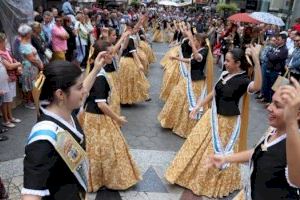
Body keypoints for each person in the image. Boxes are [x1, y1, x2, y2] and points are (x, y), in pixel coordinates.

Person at [165, 45, 262, 198]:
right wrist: (198, 106)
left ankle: (207, 181)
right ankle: (188, 174)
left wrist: (256, 60)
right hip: (212, 116)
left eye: (228, 61)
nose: (224, 63)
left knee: (213, 152)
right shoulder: (224, 74)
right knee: (195, 144)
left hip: (227, 122)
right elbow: (214, 92)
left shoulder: (244, 80)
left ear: (237, 63)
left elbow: (257, 86)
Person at [22, 52, 106, 200]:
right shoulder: (43, 140)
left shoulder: (66, 110)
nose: (85, 91)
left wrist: (96, 69)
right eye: (79, 88)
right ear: (60, 94)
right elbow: (30, 194)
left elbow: (83, 91)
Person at [208, 79, 300, 200]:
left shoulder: (295, 144)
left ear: (297, 114)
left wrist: (291, 122)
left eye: (277, 105)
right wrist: (226, 158)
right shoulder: (274, 129)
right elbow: (259, 151)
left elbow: (296, 179)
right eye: (272, 102)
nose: (269, 108)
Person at [82, 41, 141, 192]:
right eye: (110, 52)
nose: (113, 53)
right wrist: (118, 118)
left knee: (97, 150)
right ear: (102, 55)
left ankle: (98, 178)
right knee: (105, 150)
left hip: (93, 117)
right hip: (98, 118)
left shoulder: (96, 71)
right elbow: (101, 104)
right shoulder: (100, 77)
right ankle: (104, 178)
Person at [158, 32, 212, 138]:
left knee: (189, 104)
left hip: (196, 82)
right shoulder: (200, 50)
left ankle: (189, 129)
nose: (193, 42)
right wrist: (177, 59)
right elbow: (191, 60)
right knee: (177, 96)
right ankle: (173, 122)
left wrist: (191, 39)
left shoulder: (204, 51)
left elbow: (197, 57)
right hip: (189, 79)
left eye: (195, 40)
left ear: (200, 42)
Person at [118, 21, 150, 104]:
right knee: (135, 79)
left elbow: (124, 48)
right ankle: (141, 95)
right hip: (128, 61)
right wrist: (139, 64)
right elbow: (133, 53)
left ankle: (131, 97)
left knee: (128, 80)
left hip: (123, 60)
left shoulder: (126, 37)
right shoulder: (129, 38)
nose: (137, 30)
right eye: (135, 29)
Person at [18, 24, 43, 110]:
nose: (31, 33)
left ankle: (32, 100)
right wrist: (40, 64)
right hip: (29, 67)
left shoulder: (27, 42)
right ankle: (29, 102)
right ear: (27, 34)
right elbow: (32, 59)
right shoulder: (23, 45)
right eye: (30, 32)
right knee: (29, 84)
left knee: (32, 84)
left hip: (32, 67)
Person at [0, 33, 22, 128]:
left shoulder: (7, 51)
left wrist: (17, 64)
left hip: (11, 78)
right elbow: (9, 66)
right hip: (5, 79)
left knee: (9, 100)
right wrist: (19, 64)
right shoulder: (0, 53)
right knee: (5, 101)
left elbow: (13, 61)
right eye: (4, 41)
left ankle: (10, 117)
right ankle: (6, 119)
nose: (6, 43)